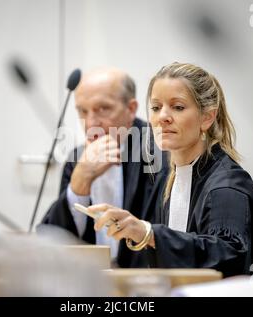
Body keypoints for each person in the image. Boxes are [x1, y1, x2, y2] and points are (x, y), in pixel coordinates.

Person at [89, 62, 253, 276]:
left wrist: (149, 234)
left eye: (177, 107)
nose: (163, 117)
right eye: (156, 107)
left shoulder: (226, 186)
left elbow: (228, 257)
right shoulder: (171, 177)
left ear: (207, 117)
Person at [41, 67, 165, 267]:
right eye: (82, 111)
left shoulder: (160, 151)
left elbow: (164, 235)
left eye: (103, 108)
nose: (90, 123)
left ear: (131, 109)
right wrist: (79, 183)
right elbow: (52, 241)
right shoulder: (76, 158)